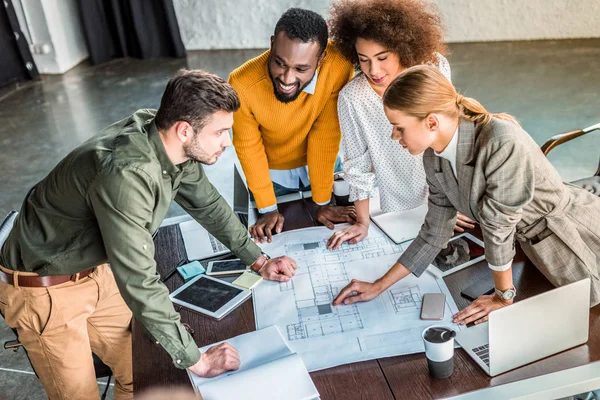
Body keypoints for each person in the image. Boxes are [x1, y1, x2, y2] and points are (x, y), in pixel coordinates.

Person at [0, 69, 297, 400]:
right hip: (45, 288)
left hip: (95, 270)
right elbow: (138, 279)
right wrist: (197, 360)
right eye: (220, 133)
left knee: (139, 375)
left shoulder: (167, 141)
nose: (227, 144)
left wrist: (258, 260)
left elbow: (209, 205)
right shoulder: (128, 174)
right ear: (185, 130)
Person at [333, 65, 600, 325]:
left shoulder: (501, 141)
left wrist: (502, 296)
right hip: (529, 247)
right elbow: (434, 231)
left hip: (573, 239)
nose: (394, 136)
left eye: (399, 127)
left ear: (432, 122)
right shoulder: (433, 156)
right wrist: (379, 286)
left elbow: (498, 227)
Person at [326, 0, 475, 250]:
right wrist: (362, 222)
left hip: (441, 191)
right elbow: (358, 164)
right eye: (363, 60)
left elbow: (446, 137)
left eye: (382, 57)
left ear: (402, 47)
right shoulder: (353, 98)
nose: (374, 69)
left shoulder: (433, 67)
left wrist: (449, 205)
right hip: (392, 200)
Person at [229, 8, 356, 244]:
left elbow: (325, 136)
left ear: (321, 57)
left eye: (301, 69)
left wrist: (323, 202)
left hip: (324, 167)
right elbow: (248, 147)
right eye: (280, 63)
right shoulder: (241, 83)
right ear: (272, 43)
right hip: (271, 179)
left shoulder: (338, 65)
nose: (287, 79)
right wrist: (268, 207)